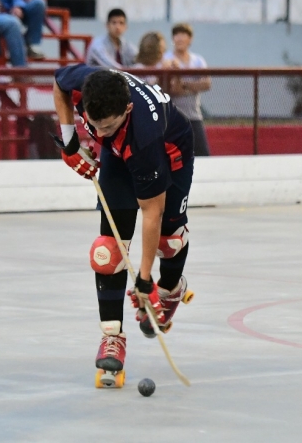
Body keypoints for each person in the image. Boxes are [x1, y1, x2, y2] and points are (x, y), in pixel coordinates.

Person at [52, 63, 194, 385]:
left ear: (127, 109)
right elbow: (58, 84)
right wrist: (71, 141)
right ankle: (112, 337)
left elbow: (151, 213)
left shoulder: (144, 137)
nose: (99, 135)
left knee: (167, 241)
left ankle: (170, 290)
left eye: (107, 127)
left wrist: (145, 281)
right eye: (94, 125)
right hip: (120, 153)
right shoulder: (85, 84)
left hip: (171, 151)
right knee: (108, 252)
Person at [164, 22, 212, 156]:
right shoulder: (167, 59)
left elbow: (207, 83)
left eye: (183, 35)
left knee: (203, 155)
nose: (179, 38)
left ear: (190, 39)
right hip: (172, 118)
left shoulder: (198, 60)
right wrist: (193, 85)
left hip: (194, 115)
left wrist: (184, 84)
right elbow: (174, 89)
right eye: (176, 35)